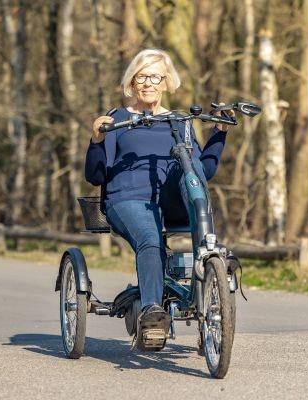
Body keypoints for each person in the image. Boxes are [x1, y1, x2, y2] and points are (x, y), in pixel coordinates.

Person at [84, 49, 233, 345]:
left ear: (166, 82)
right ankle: (152, 313)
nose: (149, 83)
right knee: (150, 238)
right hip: (128, 199)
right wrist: (98, 140)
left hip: (172, 201)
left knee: (192, 174)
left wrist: (218, 133)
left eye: (155, 76)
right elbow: (96, 175)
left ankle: (208, 262)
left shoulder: (180, 122)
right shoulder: (118, 119)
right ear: (132, 82)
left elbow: (204, 170)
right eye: (142, 76)